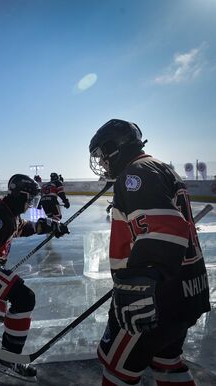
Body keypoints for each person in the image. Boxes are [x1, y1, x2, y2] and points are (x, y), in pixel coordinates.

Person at [88, 119, 210, 385]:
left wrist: (137, 288)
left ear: (114, 148)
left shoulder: (136, 173)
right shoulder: (157, 167)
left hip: (156, 298)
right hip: (186, 292)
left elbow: (164, 230)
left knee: (117, 369)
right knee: (167, 363)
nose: (102, 162)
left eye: (101, 155)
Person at [0, 174, 69, 382]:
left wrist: (49, 226)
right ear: (22, 196)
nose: (31, 204)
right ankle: (8, 360)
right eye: (30, 199)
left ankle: (0, 315)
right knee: (24, 298)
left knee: (10, 284)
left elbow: (23, 227)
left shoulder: (8, 210)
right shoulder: (0, 218)